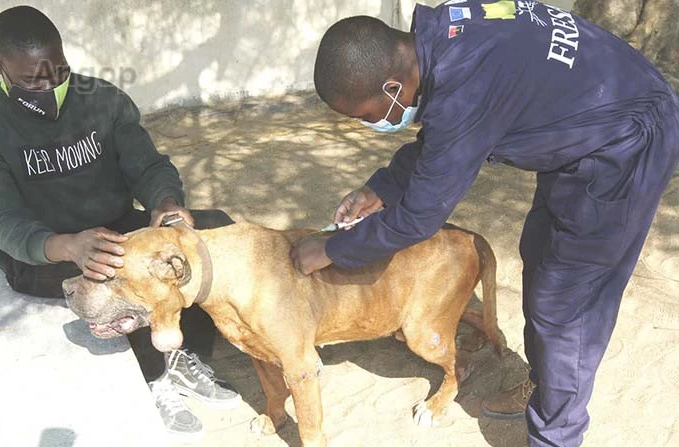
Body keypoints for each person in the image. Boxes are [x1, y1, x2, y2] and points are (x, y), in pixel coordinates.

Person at [290, 2, 679, 446]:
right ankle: (547, 385)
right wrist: (383, 186)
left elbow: (420, 215)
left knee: (568, 302)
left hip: (626, 141)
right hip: (586, 128)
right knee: (540, 252)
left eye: (366, 114)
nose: (370, 123)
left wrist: (331, 249)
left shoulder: (465, 84)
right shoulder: (444, 37)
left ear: (393, 86)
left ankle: (556, 435)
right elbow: (446, 137)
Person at [0, 6, 240, 443]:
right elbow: (1, 220)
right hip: (42, 251)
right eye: (31, 80)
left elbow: (148, 165)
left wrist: (166, 205)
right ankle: (156, 379)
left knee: (210, 234)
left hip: (118, 228)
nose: (49, 87)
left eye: (58, 72)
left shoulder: (102, 99)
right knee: (114, 271)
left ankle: (185, 359)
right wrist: (67, 245)